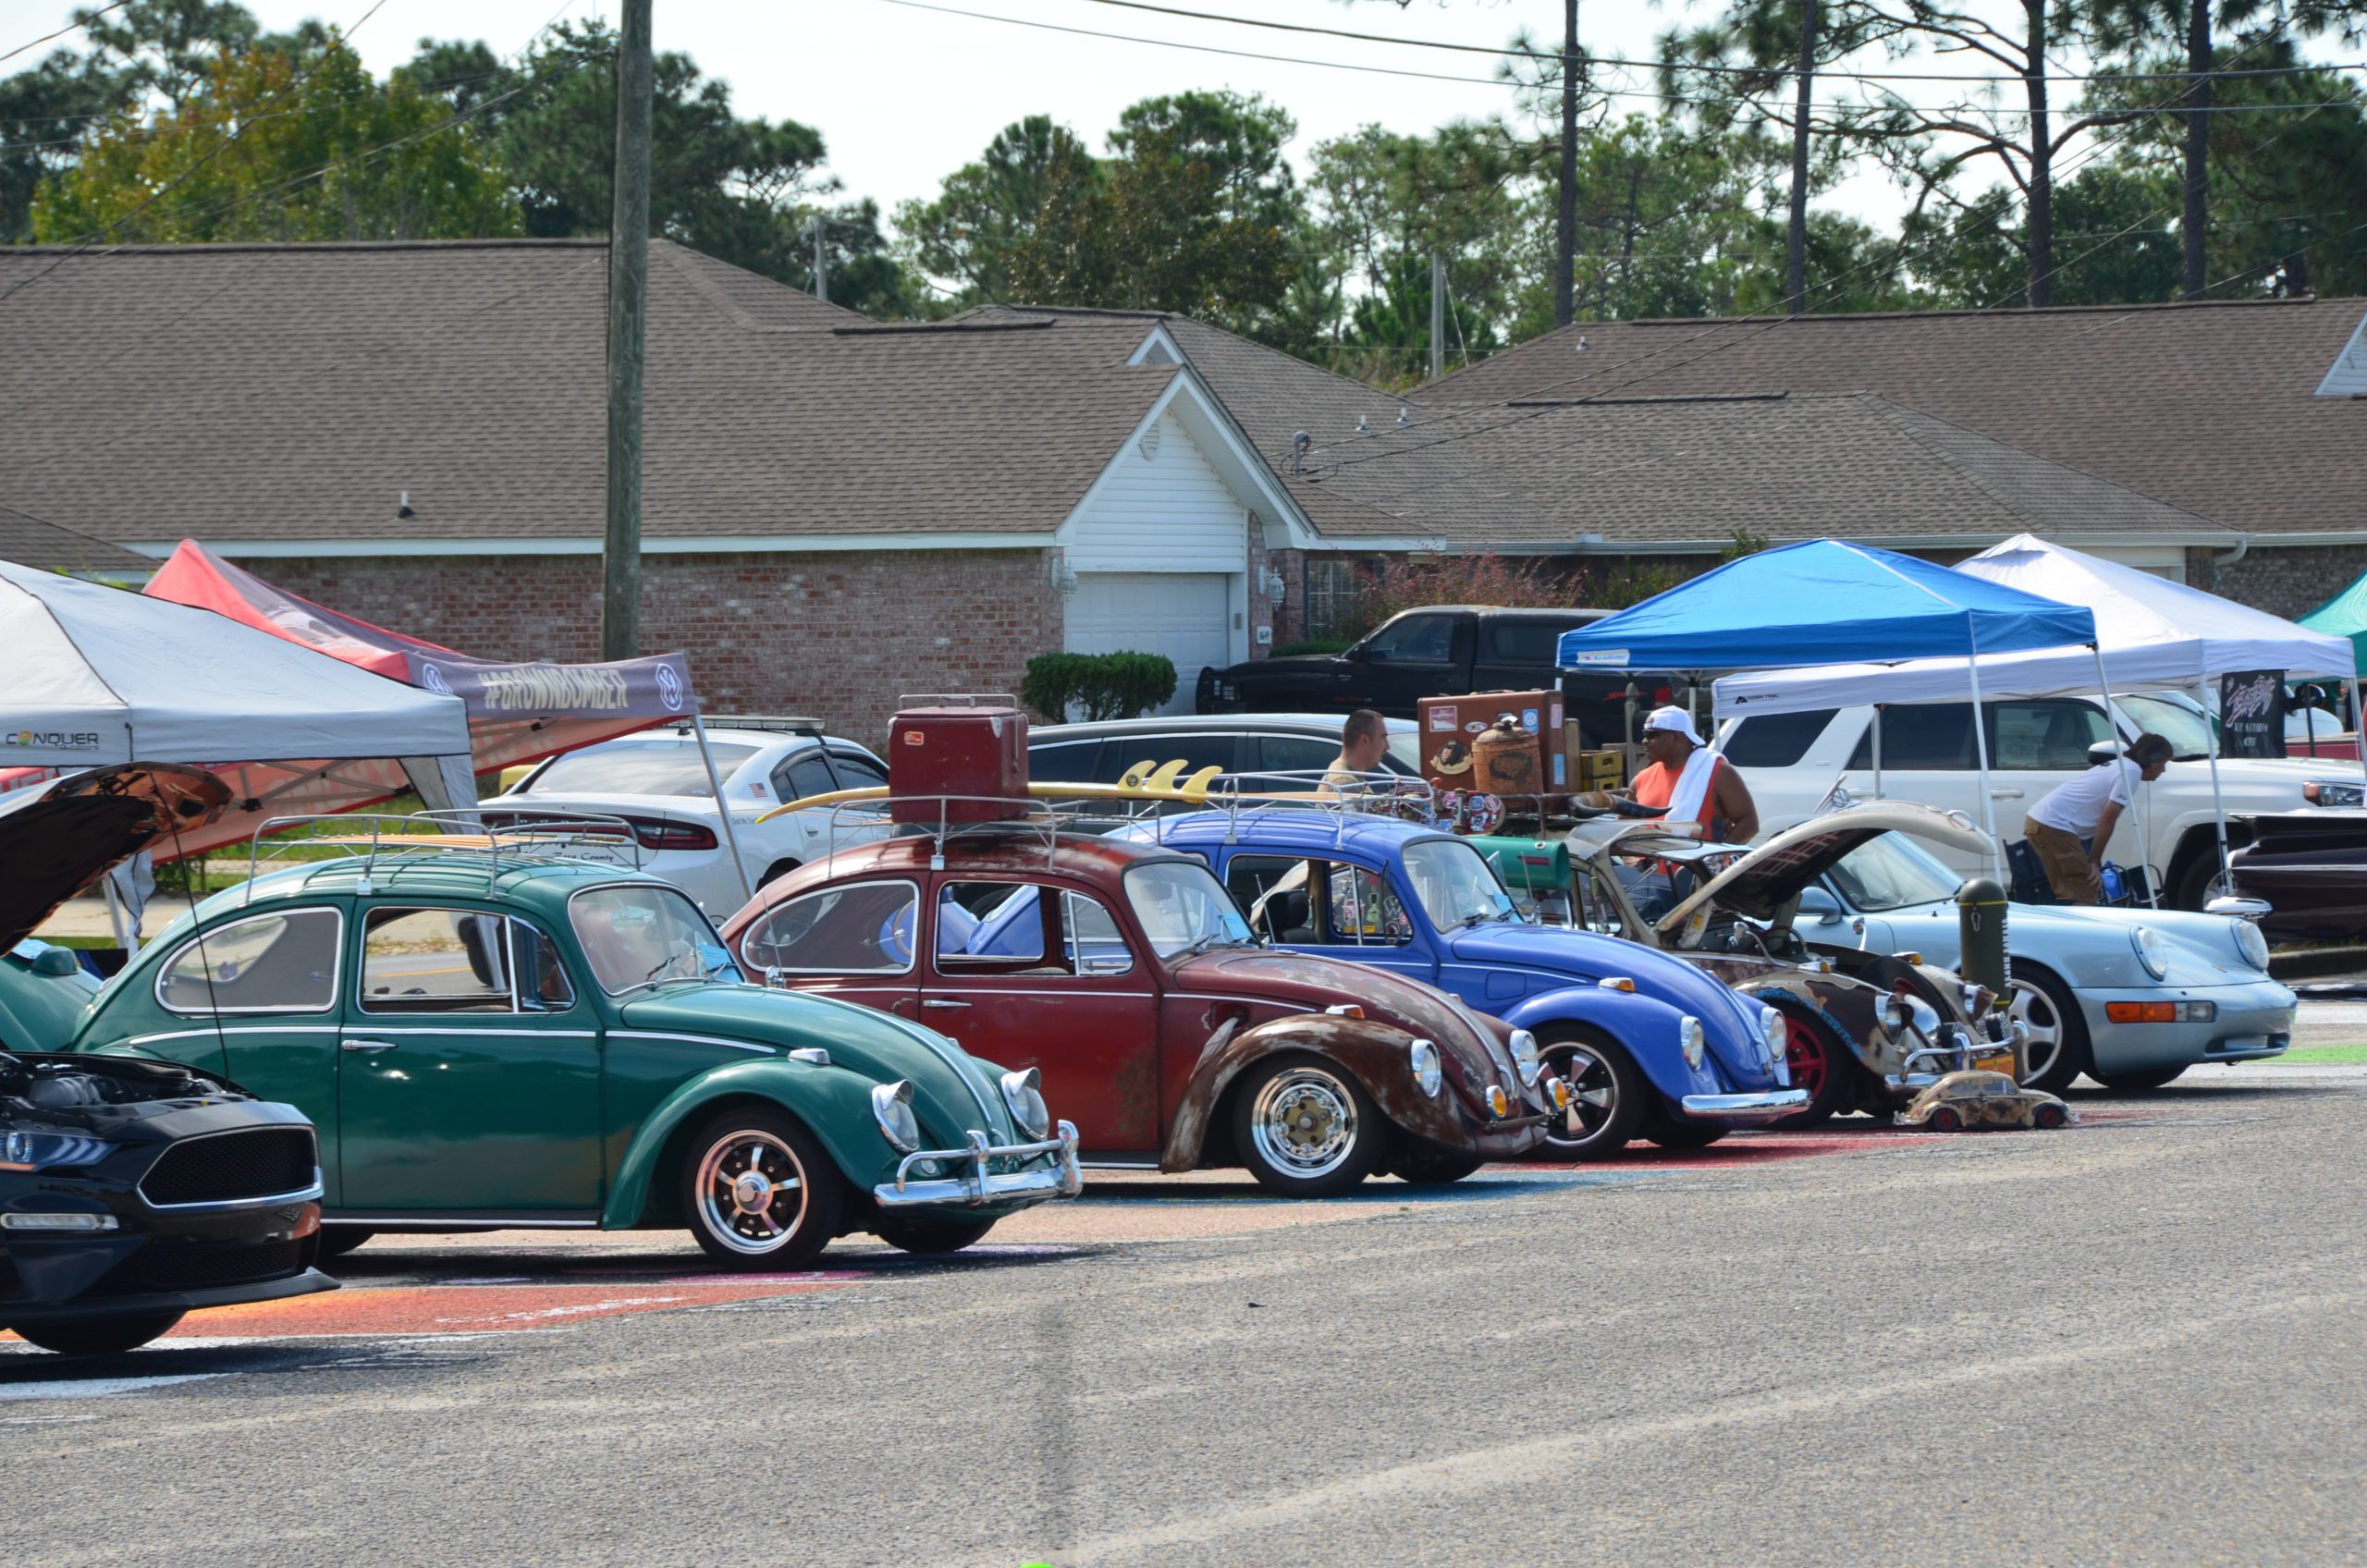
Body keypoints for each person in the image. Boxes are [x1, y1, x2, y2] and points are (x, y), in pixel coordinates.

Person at [2022, 732, 2173, 905]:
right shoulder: (2131, 771)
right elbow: (2108, 818)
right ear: (2154, 761)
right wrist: (2093, 860)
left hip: (2047, 823)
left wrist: (2094, 859)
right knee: (2085, 893)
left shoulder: (2121, 765)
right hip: (2053, 825)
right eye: (2164, 763)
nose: (2164, 770)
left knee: (2074, 890)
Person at [1619, 705, 1759, 842]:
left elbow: (1749, 823)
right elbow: (1621, 828)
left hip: (1701, 864)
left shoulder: (1716, 771)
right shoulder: (1640, 780)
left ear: (1676, 736)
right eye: (1644, 735)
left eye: (1652, 734)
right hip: (1650, 865)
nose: (1645, 741)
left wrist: (1716, 858)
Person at [1321, 709, 1391, 801]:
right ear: (1364, 740)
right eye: (1383, 738)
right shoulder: (1345, 783)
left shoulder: (1351, 778)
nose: (1387, 746)